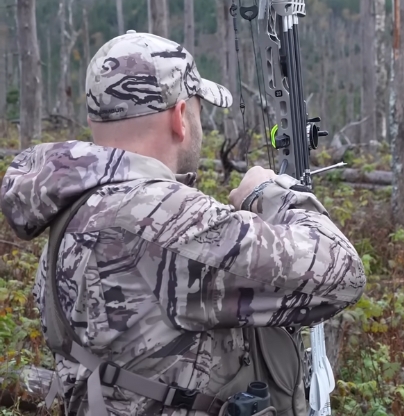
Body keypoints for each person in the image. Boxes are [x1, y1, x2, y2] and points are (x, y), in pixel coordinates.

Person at [0, 30, 366, 415]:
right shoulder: (163, 219)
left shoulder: (72, 212)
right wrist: (268, 194)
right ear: (179, 118)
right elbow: (344, 274)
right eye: (197, 109)